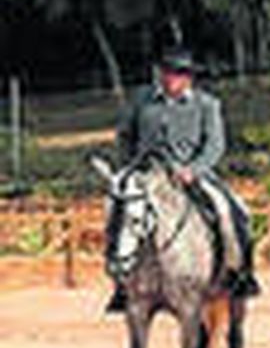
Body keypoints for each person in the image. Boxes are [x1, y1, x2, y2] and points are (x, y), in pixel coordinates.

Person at [107, 48, 259, 312]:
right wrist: (131, 168)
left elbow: (215, 145)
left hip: (191, 176)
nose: (170, 79)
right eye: (167, 73)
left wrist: (194, 170)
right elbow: (125, 136)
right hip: (148, 176)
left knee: (230, 210)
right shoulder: (141, 100)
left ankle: (238, 273)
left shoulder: (207, 105)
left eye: (178, 74)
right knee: (120, 210)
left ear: (188, 78)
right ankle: (122, 282)